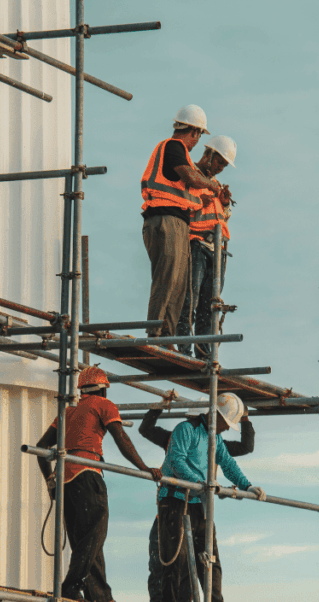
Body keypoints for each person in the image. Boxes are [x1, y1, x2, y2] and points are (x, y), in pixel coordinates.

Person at [35, 365, 162, 601]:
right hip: (87, 473)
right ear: (103, 390)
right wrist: (144, 468)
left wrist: (50, 480)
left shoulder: (67, 413)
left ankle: (100, 596)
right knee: (95, 533)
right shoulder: (104, 405)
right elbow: (120, 437)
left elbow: (41, 449)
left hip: (65, 481)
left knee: (87, 542)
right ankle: (71, 586)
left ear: (82, 390)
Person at [155, 393, 266, 602]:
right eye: (226, 423)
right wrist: (201, 482)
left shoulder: (216, 438)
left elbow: (228, 463)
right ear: (215, 415)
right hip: (175, 501)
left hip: (199, 503)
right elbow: (176, 460)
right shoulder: (186, 430)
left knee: (210, 563)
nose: (226, 428)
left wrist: (247, 486)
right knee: (175, 563)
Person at [141, 105, 223, 340]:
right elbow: (189, 176)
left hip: (175, 222)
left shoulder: (179, 154)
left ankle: (167, 334)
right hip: (164, 219)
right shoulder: (173, 146)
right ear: (195, 132)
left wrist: (205, 197)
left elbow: (184, 189)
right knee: (167, 278)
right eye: (198, 135)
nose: (197, 141)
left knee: (178, 284)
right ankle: (155, 333)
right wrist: (210, 184)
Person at [176, 135, 237, 360]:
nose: (220, 168)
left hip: (216, 250)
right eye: (219, 162)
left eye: (223, 165)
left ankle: (204, 354)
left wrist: (225, 204)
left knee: (209, 307)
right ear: (208, 154)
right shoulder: (190, 175)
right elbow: (184, 204)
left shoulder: (216, 185)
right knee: (189, 299)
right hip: (196, 245)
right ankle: (183, 349)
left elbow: (221, 217)